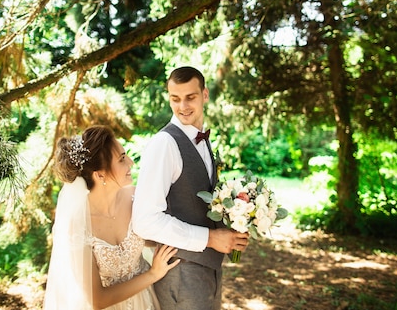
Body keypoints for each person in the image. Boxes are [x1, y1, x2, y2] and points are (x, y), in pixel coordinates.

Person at [132, 66, 250, 310]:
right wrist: (210, 238)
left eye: (190, 97)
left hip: (209, 271)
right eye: (175, 99)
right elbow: (144, 221)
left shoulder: (202, 140)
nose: (183, 106)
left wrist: (235, 225)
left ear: (205, 94)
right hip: (180, 274)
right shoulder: (164, 144)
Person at [44, 125, 181, 310]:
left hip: (147, 302)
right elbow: (96, 300)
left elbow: (151, 236)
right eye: (122, 159)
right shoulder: (77, 226)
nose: (131, 163)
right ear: (100, 174)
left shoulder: (135, 197)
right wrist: (153, 274)